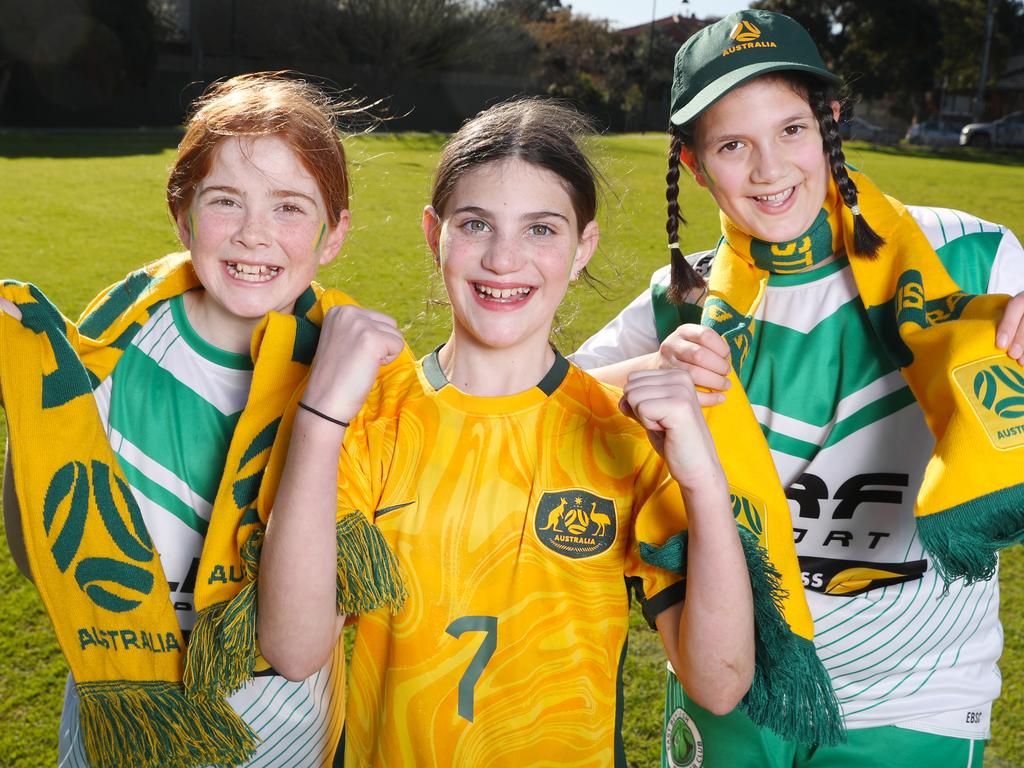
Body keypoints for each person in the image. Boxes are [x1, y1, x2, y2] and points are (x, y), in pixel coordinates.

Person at [572, 10, 1024, 768]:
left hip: (918, 696)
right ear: (692, 163)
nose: (769, 169)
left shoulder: (972, 257)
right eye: (732, 145)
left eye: (790, 130)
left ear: (829, 121)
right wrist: (645, 377)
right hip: (736, 684)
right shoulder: (677, 303)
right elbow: (537, 410)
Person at [256, 98, 756, 766]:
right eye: (475, 224)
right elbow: (293, 650)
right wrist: (319, 422)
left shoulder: (627, 435)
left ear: (584, 247)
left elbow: (720, 684)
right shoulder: (373, 418)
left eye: (542, 230)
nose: (503, 259)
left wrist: (701, 483)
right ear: (434, 232)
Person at [0, 72, 395, 768]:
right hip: (115, 734)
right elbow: (41, 558)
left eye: (290, 208)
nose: (253, 235)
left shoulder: (358, 373)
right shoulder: (110, 344)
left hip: (283, 740)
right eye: (226, 201)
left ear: (333, 236)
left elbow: (298, 649)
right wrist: (32, 407)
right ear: (182, 216)